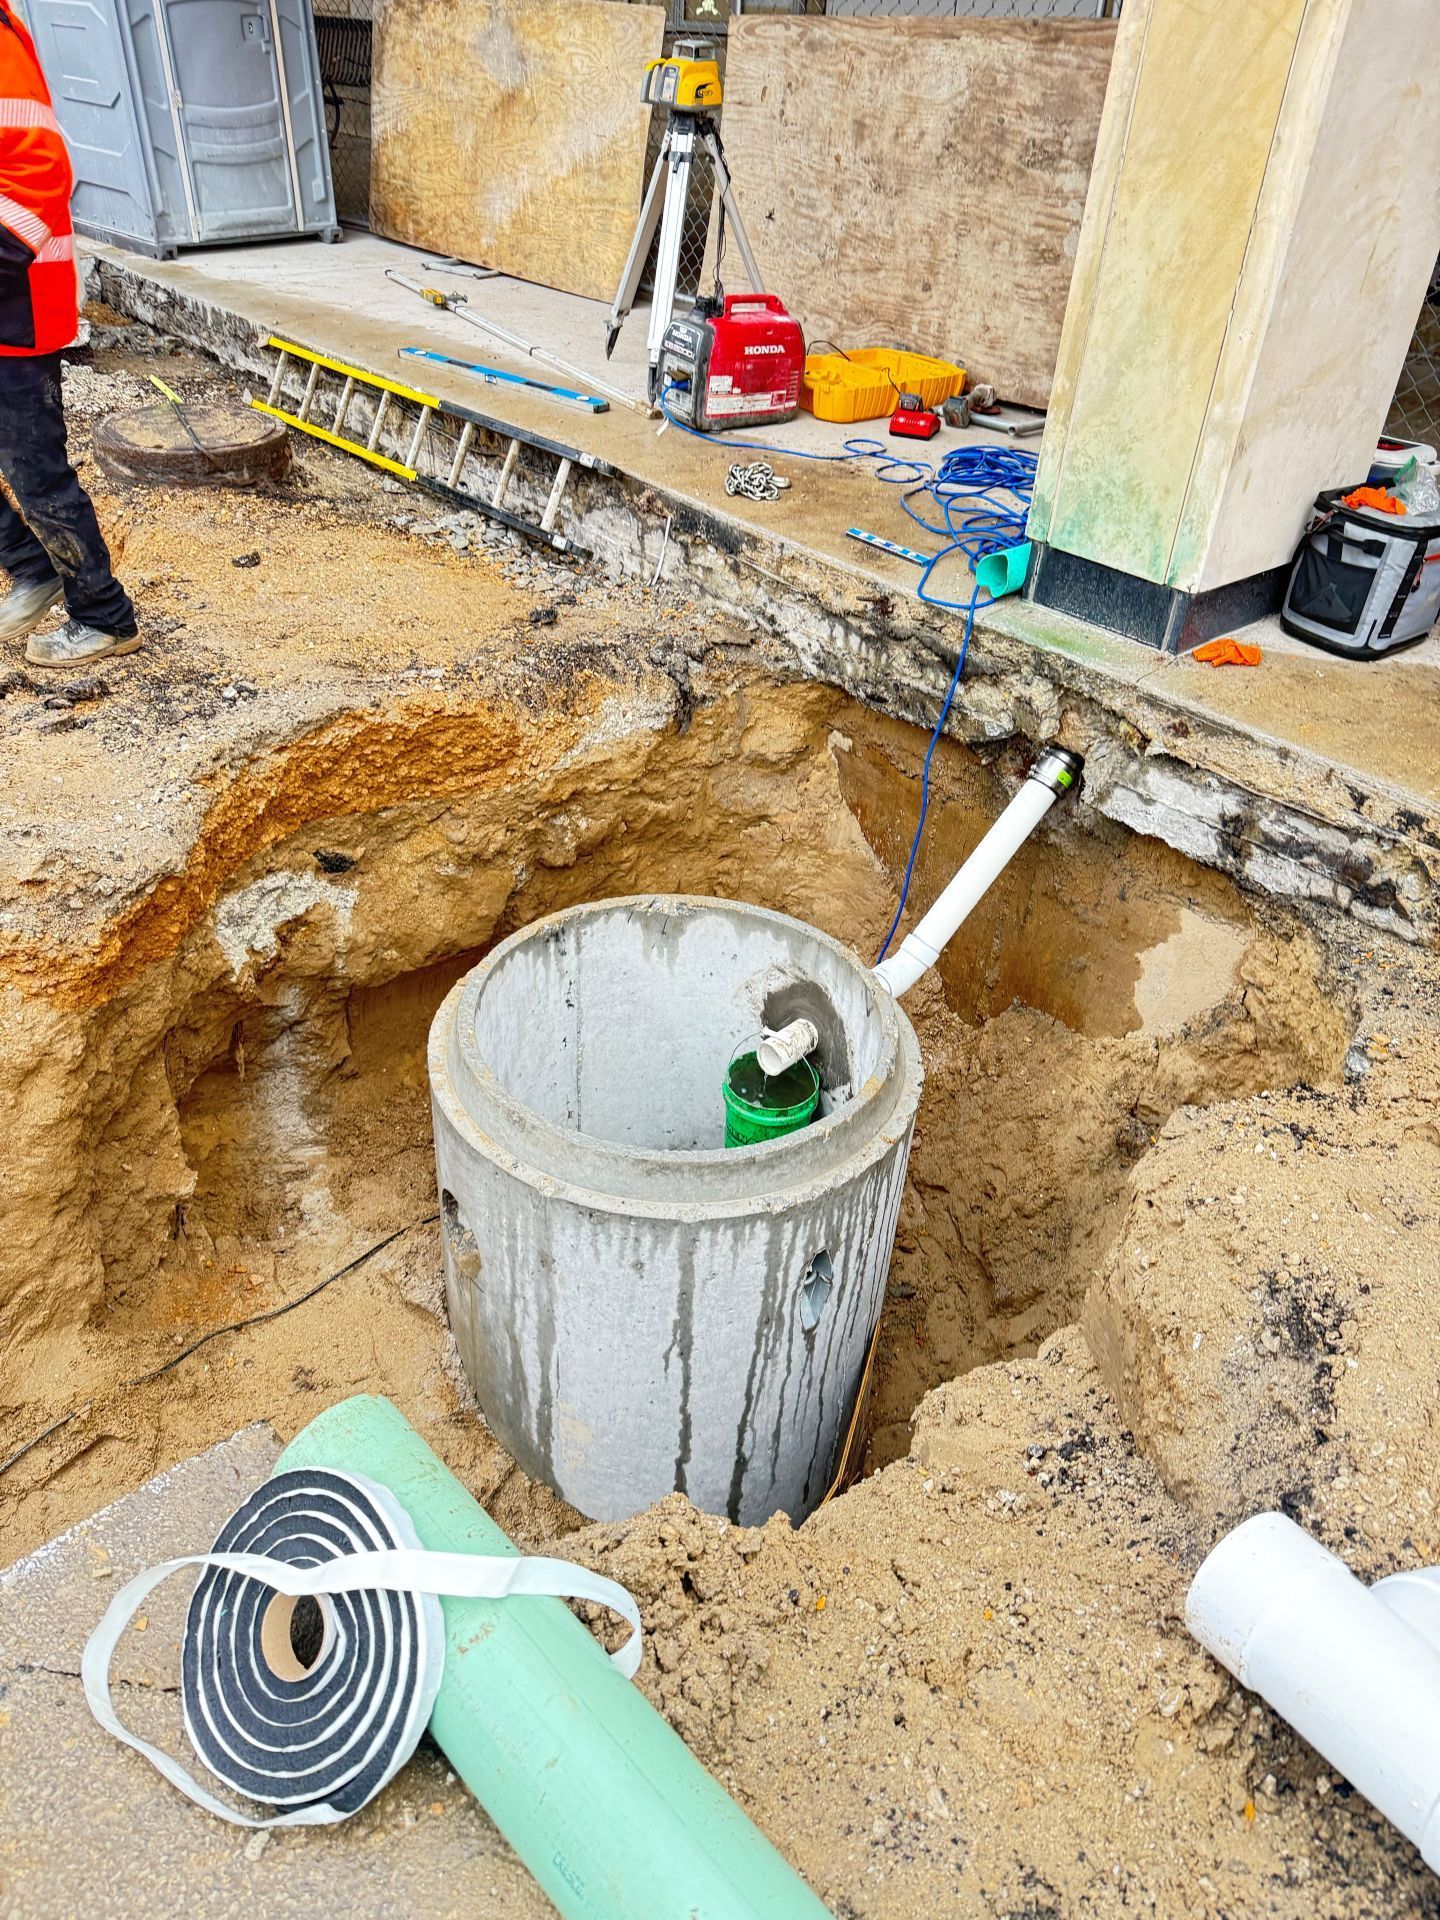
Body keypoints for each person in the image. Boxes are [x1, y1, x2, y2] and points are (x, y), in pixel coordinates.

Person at [0, 0, 137, 668]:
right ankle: (33, 570)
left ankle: (104, 617)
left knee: (37, 473)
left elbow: (39, 174)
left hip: (14, 305)